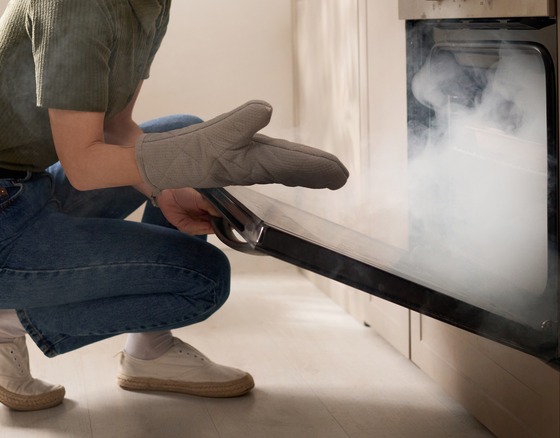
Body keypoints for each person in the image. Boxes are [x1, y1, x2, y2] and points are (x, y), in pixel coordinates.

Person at [0, 0, 348, 411]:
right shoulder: (78, 7)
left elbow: (115, 127)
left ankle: (151, 350)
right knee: (203, 281)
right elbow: (83, 166)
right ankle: (6, 324)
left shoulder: (151, 6)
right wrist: (188, 159)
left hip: (28, 189)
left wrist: (163, 190)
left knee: (181, 129)